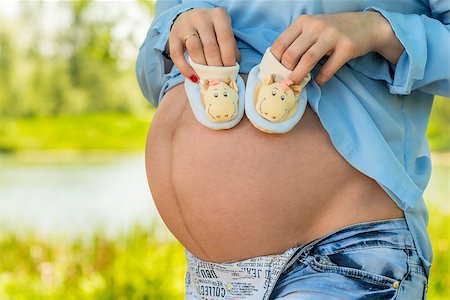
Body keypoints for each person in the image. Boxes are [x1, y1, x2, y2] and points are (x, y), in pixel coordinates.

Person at [136, 0, 449, 298]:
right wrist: (176, 29)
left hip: (337, 256)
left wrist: (378, 30)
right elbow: (155, 77)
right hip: (210, 277)